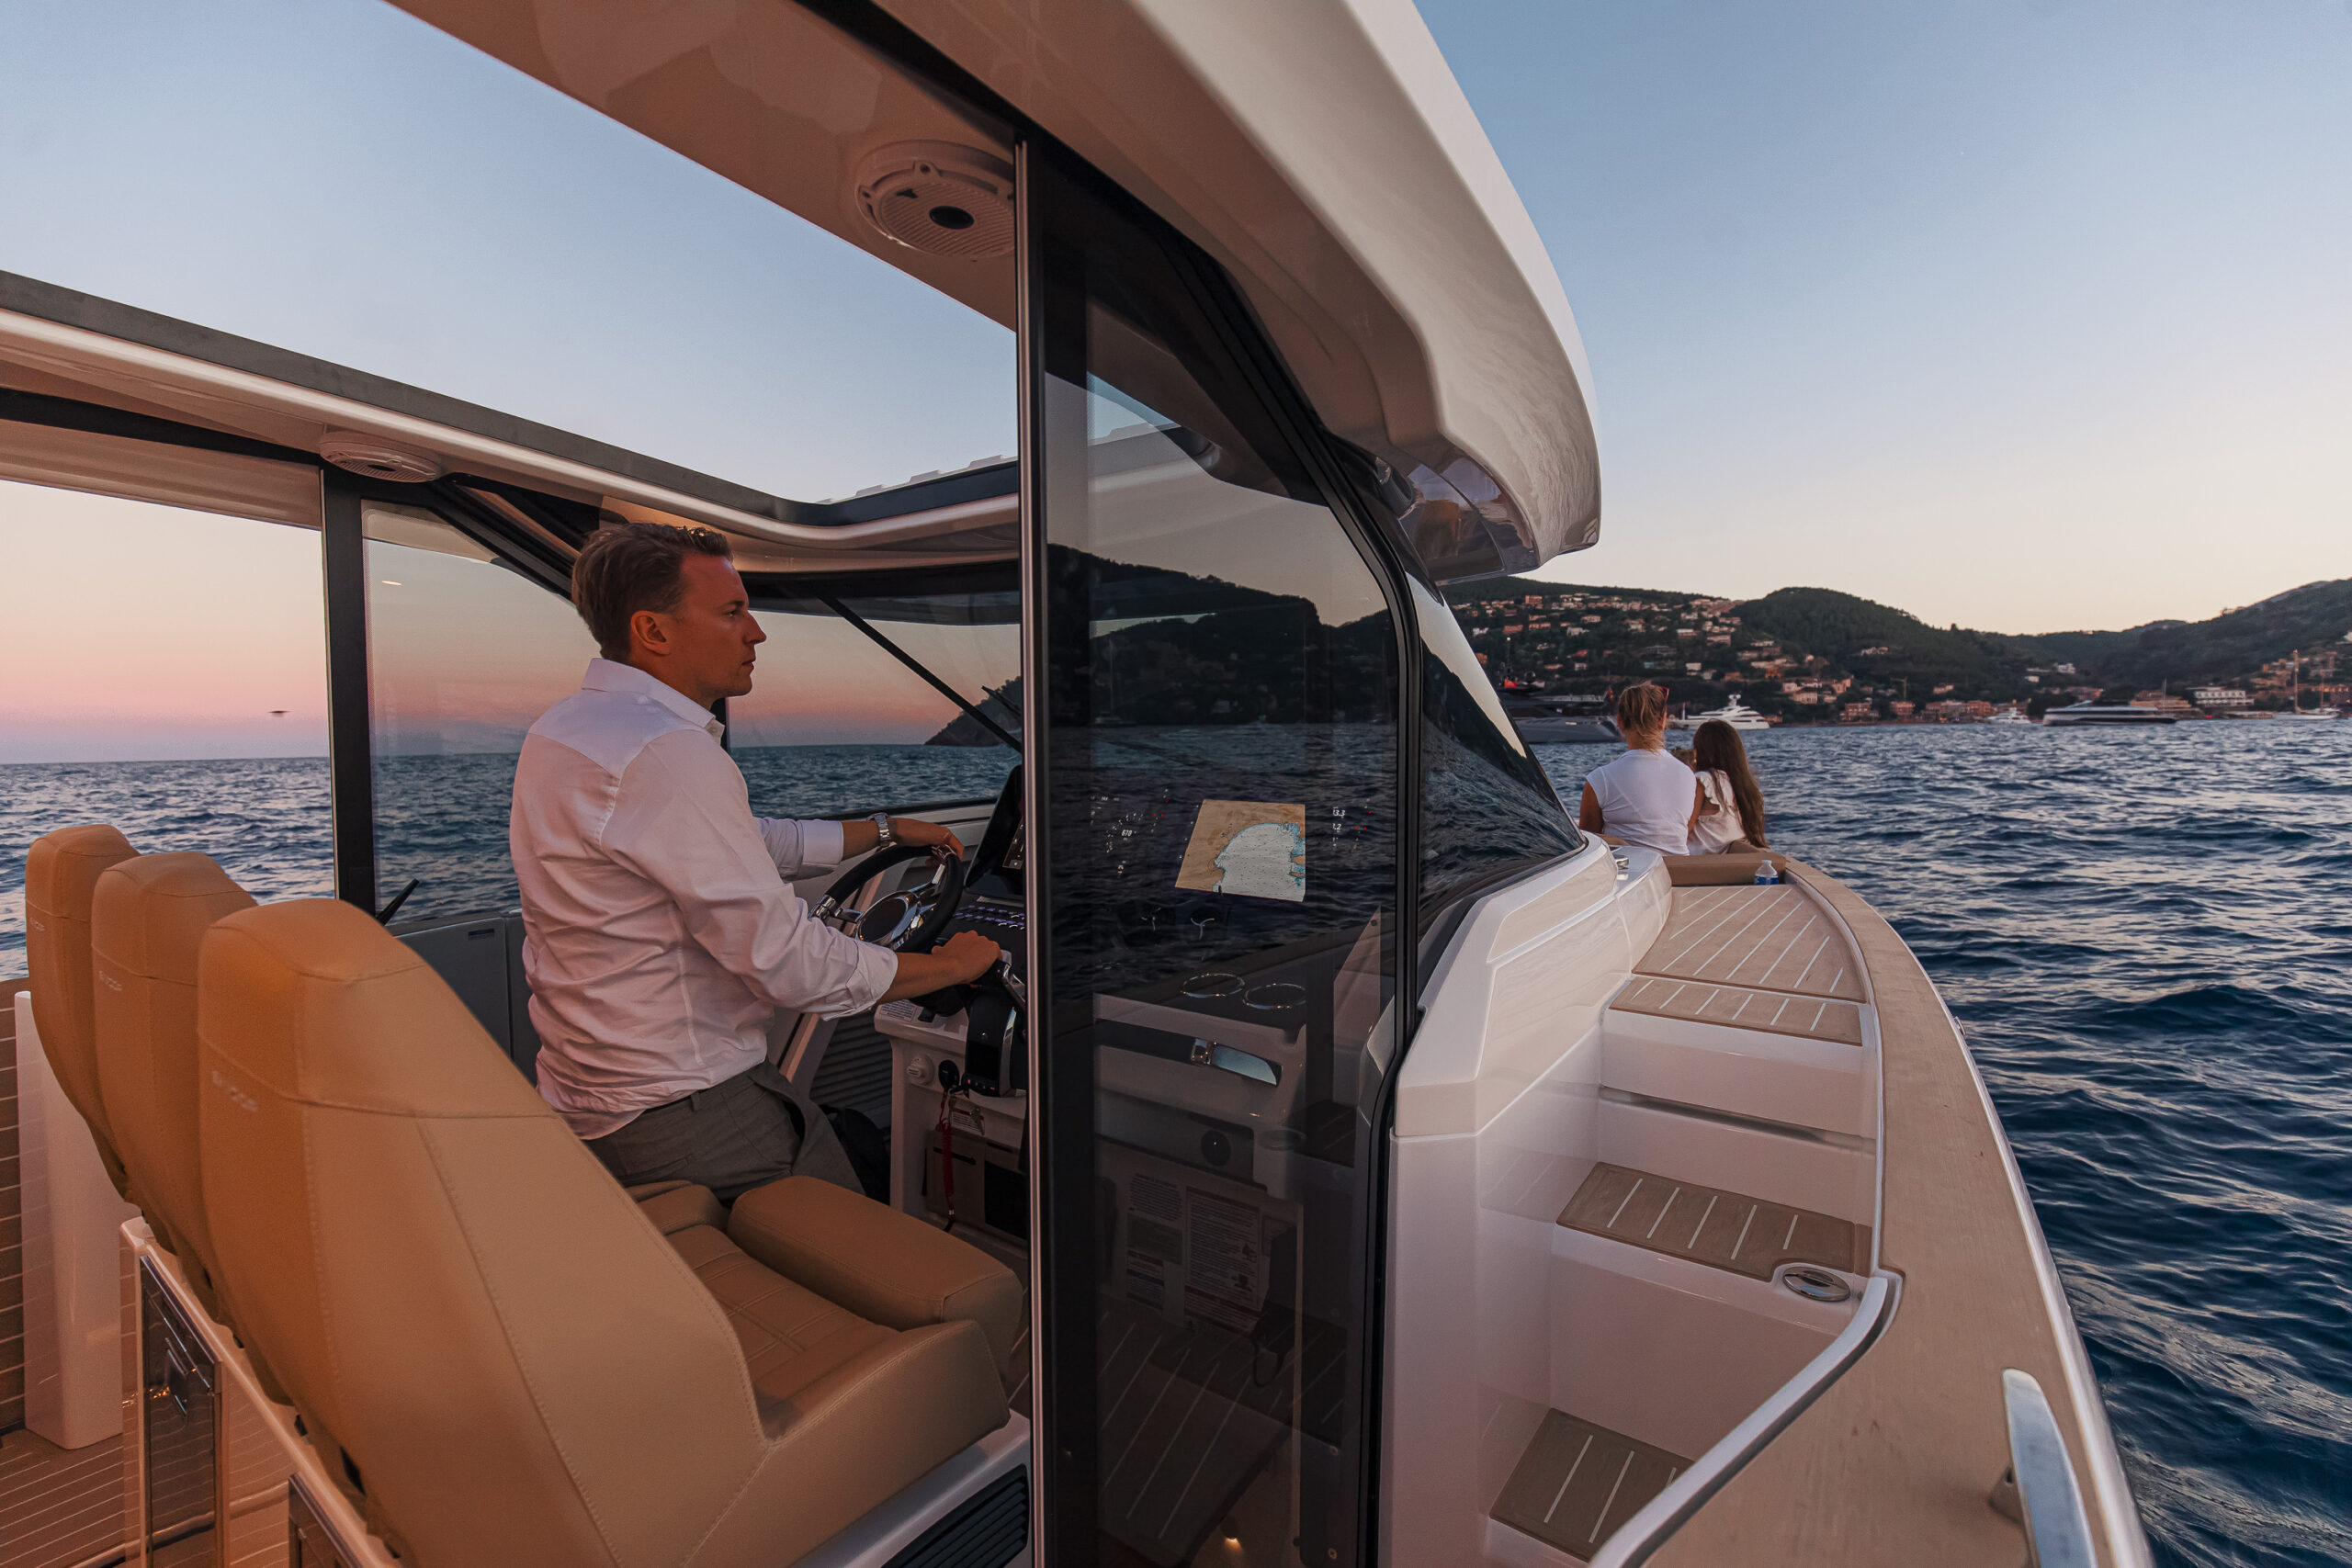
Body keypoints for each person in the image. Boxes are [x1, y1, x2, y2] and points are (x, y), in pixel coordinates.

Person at [511, 521, 1003, 1201]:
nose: (756, 633)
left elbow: (735, 840)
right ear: (653, 631)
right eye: (732, 612)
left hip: (592, 1098)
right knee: (849, 1232)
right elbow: (790, 964)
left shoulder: (566, 729)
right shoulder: (667, 752)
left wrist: (883, 832)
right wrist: (953, 966)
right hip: (687, 1107)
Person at [1577, 683, 1701, 854]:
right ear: (1662, 721)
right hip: (1678, 867)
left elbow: (1589, 847)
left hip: (1633, 869)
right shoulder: (1687, 774)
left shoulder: (1601, 779)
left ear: (1620, 722)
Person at [1689, 718, 1768, 853]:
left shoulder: (1704, 781)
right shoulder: (1745, 785)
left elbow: (1683, 830)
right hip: (1729, 859)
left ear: (1701, 750)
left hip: (1698, 861)